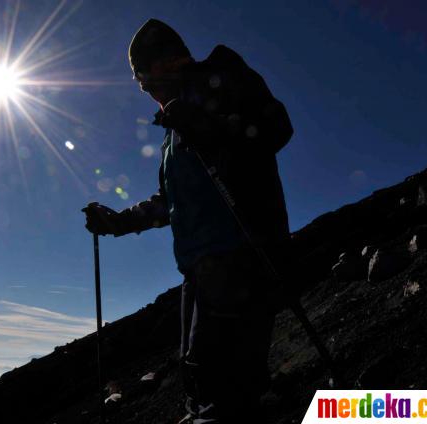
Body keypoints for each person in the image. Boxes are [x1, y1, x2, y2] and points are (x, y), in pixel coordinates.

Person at [82, 18, 294, 423]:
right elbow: (172, 201)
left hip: (242, 251)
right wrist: (117, 222)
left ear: (168, 65)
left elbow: (275, 127)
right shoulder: (174, 130)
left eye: (146, 81)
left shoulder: (220, 79)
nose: (148, 93)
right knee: (198, 369)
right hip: (201, 264)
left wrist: (207, 125)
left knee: (222, 376)